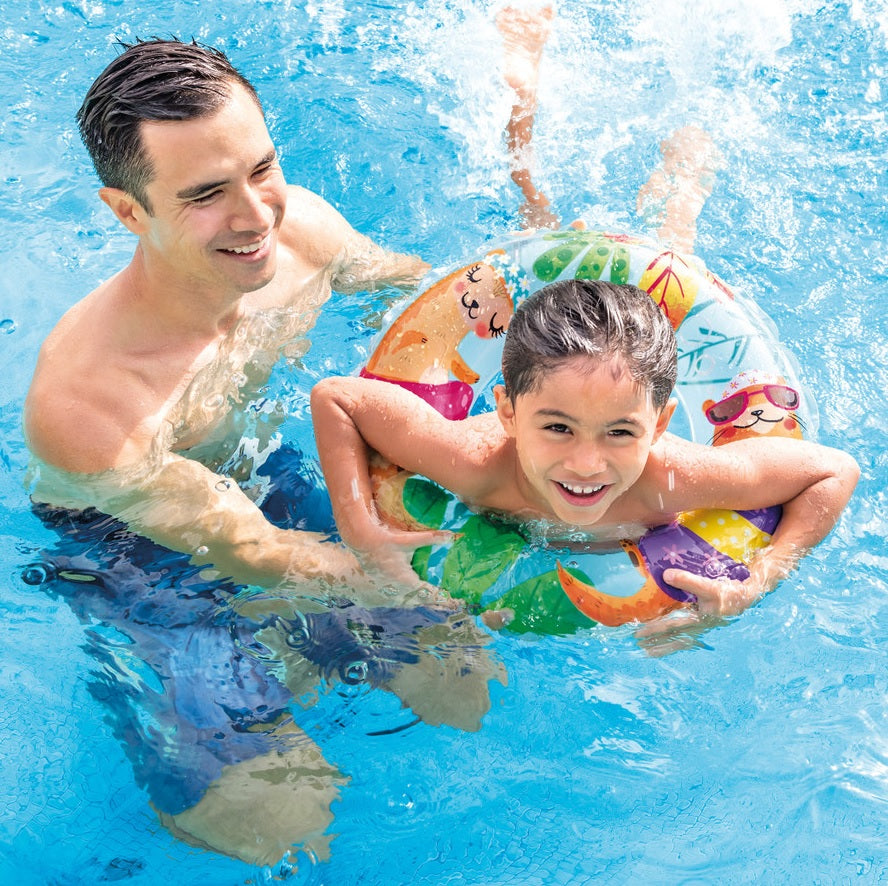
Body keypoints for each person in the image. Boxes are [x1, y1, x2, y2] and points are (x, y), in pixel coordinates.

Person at [23, 38, 433, 592]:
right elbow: (255, 552)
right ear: (128, 212)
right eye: (207, 195)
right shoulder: (94, 405)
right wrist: (436, 595)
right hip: (125, 548)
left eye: (261, 169)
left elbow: (422, 297)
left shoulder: (304, 235)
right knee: (418, 641)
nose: (259, 216)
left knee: (448, 665)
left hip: (251, 462)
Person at [310, 278, 859, 623]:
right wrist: (363, 535)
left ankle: (683, 189)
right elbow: (336, 397)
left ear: (662, 426)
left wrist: (759, 580)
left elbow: (834, 472)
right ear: (507, 412)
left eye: (620, 432)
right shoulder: (471, 463)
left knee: (675, 255)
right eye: (557, 428)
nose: (586, 464)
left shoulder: (675, 479)